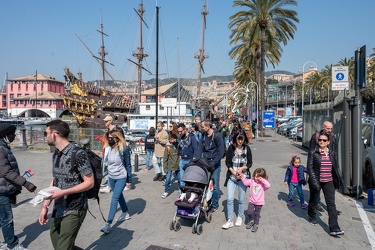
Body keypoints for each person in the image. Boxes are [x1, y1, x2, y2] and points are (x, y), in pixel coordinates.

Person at [39, 120, 94, 250]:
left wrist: (63, 192)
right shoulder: (56, 154)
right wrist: (45, 206)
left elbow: (90, 183)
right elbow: (55, 179)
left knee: (63, 247)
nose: (45, 136)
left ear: (54, 134)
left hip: (75, 208)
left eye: (46, 133)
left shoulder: (78, 153)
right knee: (57, 241)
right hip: (59, 207)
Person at [0, 124, 37, 250]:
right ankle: (12, 245)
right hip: (2, 191)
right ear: (5, 135)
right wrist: (26, 183)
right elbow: (6, 172)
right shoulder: (0, 149)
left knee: (3, 218)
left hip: (5, 188)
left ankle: (8, 241)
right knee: (7, 219)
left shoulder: (4, 147)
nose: (14, 136)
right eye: (12, 134)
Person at [307, 131, 344, 236]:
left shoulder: (331, 153)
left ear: (328, 142)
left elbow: (335, 168)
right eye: (320, 140)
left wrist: (337, 181)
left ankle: (334, 228)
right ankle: (311, 215)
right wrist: (315, 183)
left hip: (329, 181)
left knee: (331, 204)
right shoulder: (313, 152)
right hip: (316, 181)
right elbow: (310, 168)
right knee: (313, 200)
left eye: (324, 140)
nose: (321, 142)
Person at [100, 129, 132, 234]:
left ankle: (107, 224)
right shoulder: (107, 149)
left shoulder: (124, 149)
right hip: (111, 177)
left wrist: (129, 180)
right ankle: (126, 212)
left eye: (111, 138)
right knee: (119, 196)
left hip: (121, 177)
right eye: (108, 138)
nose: (109, 140)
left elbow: (128, 165)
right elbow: (104, 163)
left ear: (117, 139)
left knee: (114, 200)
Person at [222, 131, 252, 229]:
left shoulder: (247, 149)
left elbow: (250, 163)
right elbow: (227, 162)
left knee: (241, 199)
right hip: (232, 177)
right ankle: (230, 220)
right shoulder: (231, 148)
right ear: (235, 139)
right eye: (238, 139)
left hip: (243, 178)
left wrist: (242, 169)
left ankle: (240, 216)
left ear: (244, 139)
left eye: (241, 139)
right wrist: (234, 172)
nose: (240, 141)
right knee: (230, 199)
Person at [308, 121, 337, 212]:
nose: (330, 130)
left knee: (329, 193)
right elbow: (311, 152)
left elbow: (334, 150)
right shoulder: (316, 136)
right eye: (328, 128)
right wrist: (309, 170)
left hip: (328, 163)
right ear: (323, 127)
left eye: (331, 129)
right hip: (317, 164)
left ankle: (331, 209)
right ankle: (316, 204)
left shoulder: (333, 136)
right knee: (316, 189)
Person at [198, 120, 225, 212]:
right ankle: (205, 201)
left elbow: (221, 152)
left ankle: (215, 204)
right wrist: (195, 159)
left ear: (207, 127)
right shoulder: (204, 135)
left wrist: (213, 162)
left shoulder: (217, 136)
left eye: (202, 126)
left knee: (215, 184)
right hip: (205, 162)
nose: (201, 128)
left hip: (215, 163)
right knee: (204, 183)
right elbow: (199, 149)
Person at [240, 168, 270, 233]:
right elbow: (245, 182)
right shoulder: (252, 181)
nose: (256, 178)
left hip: (259, 202)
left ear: (262, 177)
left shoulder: (263, 184)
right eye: (255, 176)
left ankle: (256, 224)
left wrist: (262, 180)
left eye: (258, 177)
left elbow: (268, 185)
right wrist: (242, 177)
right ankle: (251, 220)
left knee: (257, 214)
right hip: (252, 201)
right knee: (249, 212)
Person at [177, 123, 199, 187]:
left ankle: (189, 192)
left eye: (180, 131)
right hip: (182, 159)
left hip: (190, 159)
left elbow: (196, 149)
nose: (179, 133)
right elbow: (180, 148)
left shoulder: (192, 137)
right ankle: (182, 194)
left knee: (190, 178)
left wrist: (194, 158)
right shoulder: (180, 138)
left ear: (184, 129)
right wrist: (179, 155)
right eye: (178, 132)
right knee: (182, 178)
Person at [161, 134, 180, 199]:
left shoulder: (178, 145)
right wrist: (165, 168)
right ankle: (166, 191)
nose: (172, 141)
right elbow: (165, 159)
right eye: (170, 140)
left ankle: (181, 190)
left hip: (177, 165)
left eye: (173, 139)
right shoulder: (168, 147)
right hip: (169, 166)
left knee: (180, 179)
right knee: (168, 179)